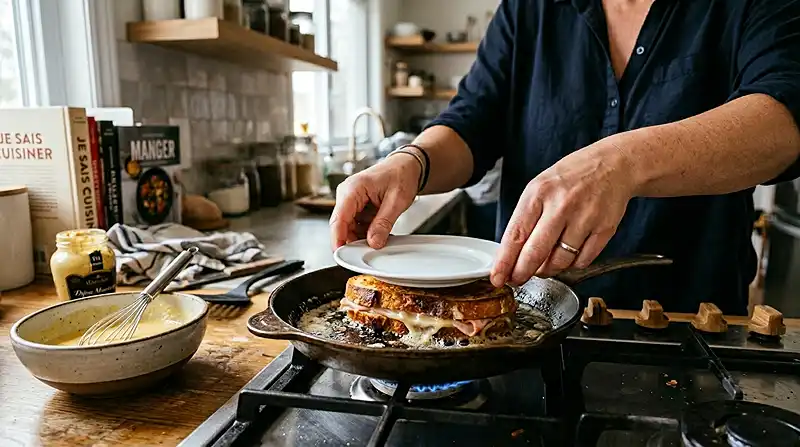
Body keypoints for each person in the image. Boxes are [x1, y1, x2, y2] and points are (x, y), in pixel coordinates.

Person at [330, 0, 800, 315]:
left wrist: (623, 160)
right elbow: (472, 119)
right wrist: (411, 161)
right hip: (529, 318)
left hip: (687, 320)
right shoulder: (529, 7)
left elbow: (784, 119)